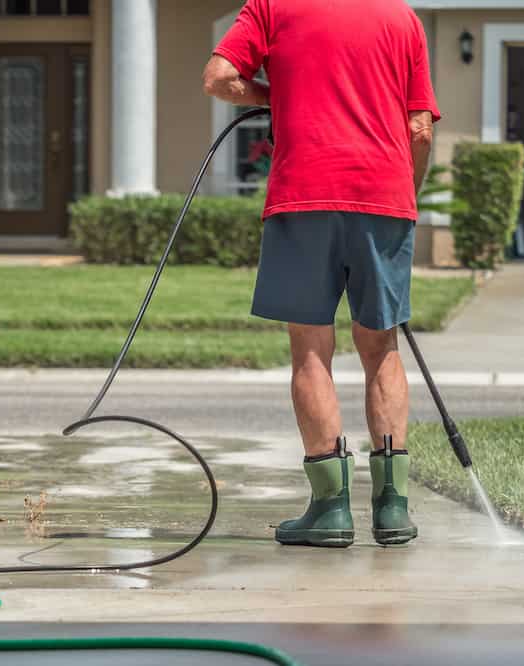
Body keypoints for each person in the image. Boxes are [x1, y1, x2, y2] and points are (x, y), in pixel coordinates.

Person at [203, 0, 439, 547]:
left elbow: (219, 78)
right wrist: (405, 195)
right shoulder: (401, 18)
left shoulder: (271, 6)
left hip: (303, 196)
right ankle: (392, 508)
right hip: (384, 198)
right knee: (382, 347)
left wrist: (272, 95)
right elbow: (420, 129)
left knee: (311, 349)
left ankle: (331, 510)